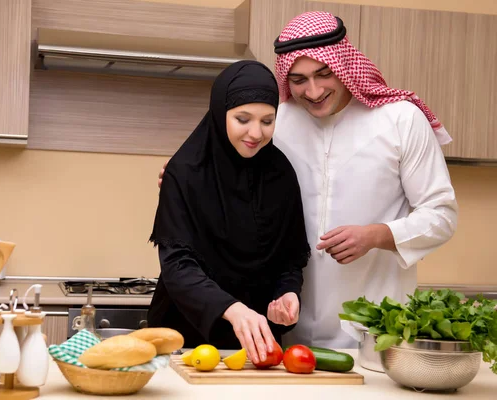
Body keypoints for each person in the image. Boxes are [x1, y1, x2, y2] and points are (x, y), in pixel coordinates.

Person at [158, 11, 458, 349]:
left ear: (344, 64)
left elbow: (442, 214)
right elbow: (223, 162)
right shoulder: (277, 121)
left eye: (324, 73)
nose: (313, 91)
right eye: (298, 79)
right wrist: (186, 177)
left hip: (375, 328)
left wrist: (378, 234)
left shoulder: (400, 120)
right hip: (286, 330)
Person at [147, 60, 311, 364]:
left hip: (257, 344)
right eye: (243, 119)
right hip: (183, 338)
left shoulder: (281, 175)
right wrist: (233, 309)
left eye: (267, 120)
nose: (256, 133)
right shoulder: (183, 172)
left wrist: (287, 294)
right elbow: (178, 266)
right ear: (220, 112)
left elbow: (289, 261)